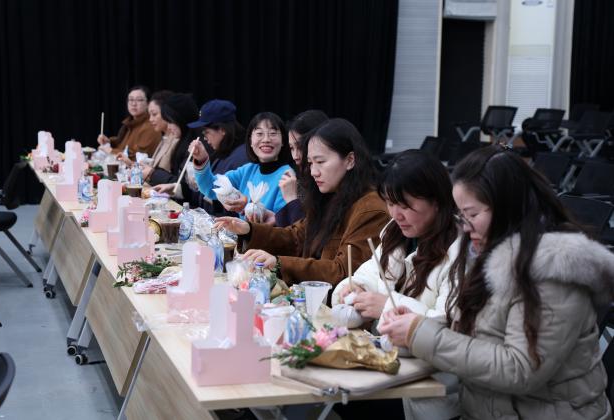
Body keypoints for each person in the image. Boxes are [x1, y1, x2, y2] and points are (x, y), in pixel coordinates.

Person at [380, 145, 614, 419]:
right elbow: (474, 339)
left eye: (472, 215)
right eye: (461, 216)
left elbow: (520, 369)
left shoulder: (554, 273)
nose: (465, 226)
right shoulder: (487, 253)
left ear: (506, 207)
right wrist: (414, 330)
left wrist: (421, 334)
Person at [330, 150, 461, 420]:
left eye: (406, 205)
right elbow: (369, 274)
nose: (396, 214)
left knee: (331, 401)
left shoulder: (459, 250)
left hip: (427, 391)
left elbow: (449, 329)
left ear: (437, 200)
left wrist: (385, 307)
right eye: (390, 203)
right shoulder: (395, 234)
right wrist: (353, 289)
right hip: (386, 369)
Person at [215, 118, 390, 286]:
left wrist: (278, 263)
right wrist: (248, 230)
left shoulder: (371, 209)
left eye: (320, 162)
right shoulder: (330, 196)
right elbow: (296, 237)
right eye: (310, 163)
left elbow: (344, 271)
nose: (313, 171)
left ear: (350, 160)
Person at [190, 112, 293, 218]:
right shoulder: (247, 170)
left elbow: (283, 222)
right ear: (250, 141)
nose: (266, 139)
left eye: (273, 133)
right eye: (259, 134)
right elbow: (211, 188)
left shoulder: (288, 177)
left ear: (283, 141)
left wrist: (245, 207)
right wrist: (201, 159)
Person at [183, 99, 249, 215]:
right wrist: (201, 160)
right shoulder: (224, 152)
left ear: (222, 130)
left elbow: (226, 201)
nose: (204, 138)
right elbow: (211, 188)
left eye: (206, 132)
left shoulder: (241, 159)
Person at [273, 110, 329, 227]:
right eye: (291, 148)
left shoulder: (329, 184)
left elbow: (306, 234)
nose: (295, 156)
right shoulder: (301, 180)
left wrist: (291, 199)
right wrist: (274, 218)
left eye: (300, 146)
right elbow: (288, 232)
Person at [144, 93, 198, 200]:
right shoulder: (182, 141)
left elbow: (191, 187)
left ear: (180, 119)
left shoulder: (194, 143)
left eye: (170, 122)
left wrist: (153, 173)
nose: (168, 127)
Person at [97, 85, 161, 161]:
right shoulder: (129, 123)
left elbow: (139, 157)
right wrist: (108, 142)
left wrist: (111, 151)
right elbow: (121, 144)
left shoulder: (151, 126)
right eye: (131, 99)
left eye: (139, 100)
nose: (133, 104)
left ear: (148, 103)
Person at [143, 90, 177, 174]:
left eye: (154, 114)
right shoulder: (165, 137)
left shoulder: (176, 139)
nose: (150, 119)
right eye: (150, 115)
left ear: (167, 112)